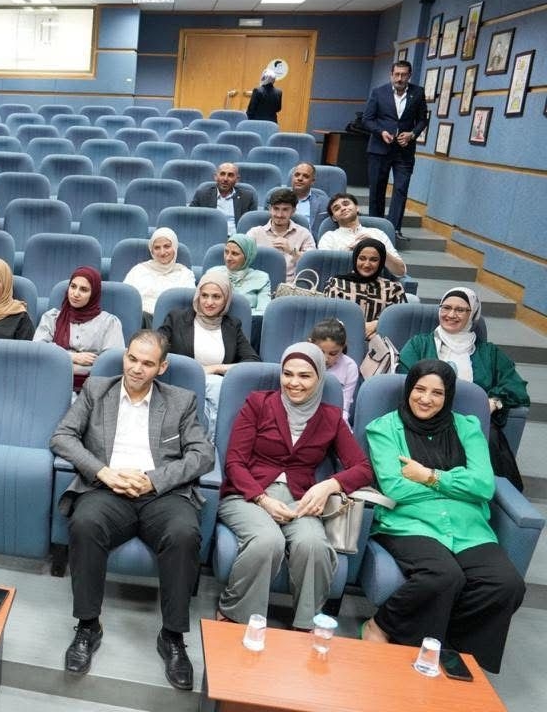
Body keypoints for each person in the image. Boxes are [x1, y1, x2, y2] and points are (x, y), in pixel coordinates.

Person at [51, 331, 213, 688]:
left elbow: (203, 455)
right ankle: (87, 626)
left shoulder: (181, 400)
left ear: (162, 367)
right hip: (107, 489)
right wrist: (103, 472)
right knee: (85, 523)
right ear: (125, 356)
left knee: (184, 534)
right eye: (132, 359)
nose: (137, 369)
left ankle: (172, 636)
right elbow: (62, 437)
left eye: (147, 363)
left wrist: (153, 480)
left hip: (161, 494)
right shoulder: (97, 390)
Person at [360, 360, 525, 673]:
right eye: (419, 389)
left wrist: (430, 476)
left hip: (468, 528)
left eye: (437, 393)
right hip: (410, 523)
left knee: (507, 584)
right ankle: (381, 625)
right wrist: (458, 485)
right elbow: (395, 488)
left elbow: (484, 485)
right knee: (444, 576)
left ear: (448, 396)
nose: (426, 398)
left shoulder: (468, 427)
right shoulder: (384, 428)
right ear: (409, 389)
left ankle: (452, 650)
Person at [216, 342, 374, 629]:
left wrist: (329, 485)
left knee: (313, 545)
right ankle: (237, 615)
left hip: (299, 499)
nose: (294, 383)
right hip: (248, 494)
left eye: (304, 376)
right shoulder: (258, 404)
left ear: (320, 378)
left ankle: (305, 625)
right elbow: (234, 463)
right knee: (268, 540)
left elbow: (363, 469)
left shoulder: (331, 418)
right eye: (287, 374)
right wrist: (263, 499)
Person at [159, 270, 260, 439]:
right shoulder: (176, 318)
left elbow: (252, 363)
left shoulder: (232, 325)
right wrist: (194, 372)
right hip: (180, 384)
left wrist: (215, 368)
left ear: (226, 299)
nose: (209, 302)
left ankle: (210, 443)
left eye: (216, 297)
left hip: (215, 389)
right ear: (198, 296)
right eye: (204, 295)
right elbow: (156, 348)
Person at [397, 287, 529, 414]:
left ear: (472, 314)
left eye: (460, 310)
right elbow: (402, 380)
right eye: (446, 308)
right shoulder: (418, 344)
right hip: (423, 414)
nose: (451, 314)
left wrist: (494, 402)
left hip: (472, 418)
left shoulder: (489, 353)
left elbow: (515, 386)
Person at [363, 60, 429, 238]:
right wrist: (381, 132)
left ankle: (394, 230)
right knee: (377, 189)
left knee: (401, 188)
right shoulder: (378, 92)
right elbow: (367, 119)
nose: (400, 78)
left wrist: (412, 134)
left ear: (409, 76)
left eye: (404, 75)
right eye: (397, 74)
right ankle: (376, 228)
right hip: (379, 148)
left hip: (404, 150)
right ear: (391, 75)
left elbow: (422, 120)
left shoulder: (418, 93)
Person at [34, 266, 124, 389]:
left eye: (84, 289)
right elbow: (38, 350)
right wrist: (72, 357)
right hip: (51, 382)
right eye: (73, 286)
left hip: (94, 387)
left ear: (93, 294)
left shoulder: (109, 323)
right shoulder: (52, 317)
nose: (75, 294)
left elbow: (110, 363)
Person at [323, 238, 406, 338]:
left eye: (374, 260)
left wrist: (377, 324)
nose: (367, 264)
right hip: (342, 339)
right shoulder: (337, 284)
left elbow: (400, 320)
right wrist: (359, 328)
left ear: (381, 262)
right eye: (362, 258)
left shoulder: (394, 289)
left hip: (381, 340)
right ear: (355, 259)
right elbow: (330, 319)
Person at [318, 193, 407, 276]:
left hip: (375, 283)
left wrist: (376, 247)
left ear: (357, 208)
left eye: (346, 204)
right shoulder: (329, 237)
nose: (343, 208)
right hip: (340, 283)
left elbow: (400, 271)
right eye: (337, 208)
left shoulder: (378, 233)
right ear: (334, 218)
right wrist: (349, 251)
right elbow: (323, 269)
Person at [122, 227, 195, 321]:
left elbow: (187, 304)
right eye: (157, 248)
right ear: (151, 251)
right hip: (142, 320)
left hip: (172, 322)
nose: (162, 252)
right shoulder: (138, 270)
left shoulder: (185, 274)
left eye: (167, 246)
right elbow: (126, 299)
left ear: (174, 247)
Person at [246, 187, 314, 283]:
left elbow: (311, 263)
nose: (279, 215)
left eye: (285, 210)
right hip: (258, 283)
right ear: (270, 209)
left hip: (290, 285)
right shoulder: (255, 233)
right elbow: (241, 261)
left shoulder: (304, 234)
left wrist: (292, 251)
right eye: (276, 209)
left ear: (293, 211)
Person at [204, 233, 272, 313]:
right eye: (226, 252)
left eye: (235, 254)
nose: (228, 258)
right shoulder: (212, 273)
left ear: (247, 256)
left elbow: (263, 312)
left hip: (248, 320)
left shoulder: (261, 278)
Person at [310, 318, 358, 422]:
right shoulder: (303, 361)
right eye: (320, 351)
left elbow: (344, 407)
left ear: (342, 348)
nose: (325, 358)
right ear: (311, 344)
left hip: (334, 417)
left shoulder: (350, 367)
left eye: (333, 353)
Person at [190, 163, 258, 235]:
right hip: (210, 236)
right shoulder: (202, 195)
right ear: (215, 177)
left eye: (230, 175)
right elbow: (191, 218)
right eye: (222, 174)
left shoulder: (247, 197)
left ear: (237, 179)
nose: (225, 179)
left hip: (236, 238)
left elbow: (251, 224)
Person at [289, 163, 330, 235]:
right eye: (297, 175)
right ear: (292, 178)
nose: (300, 178)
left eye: (305, 176)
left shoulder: (324, 202)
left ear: (312, 181)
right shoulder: (278, 198)